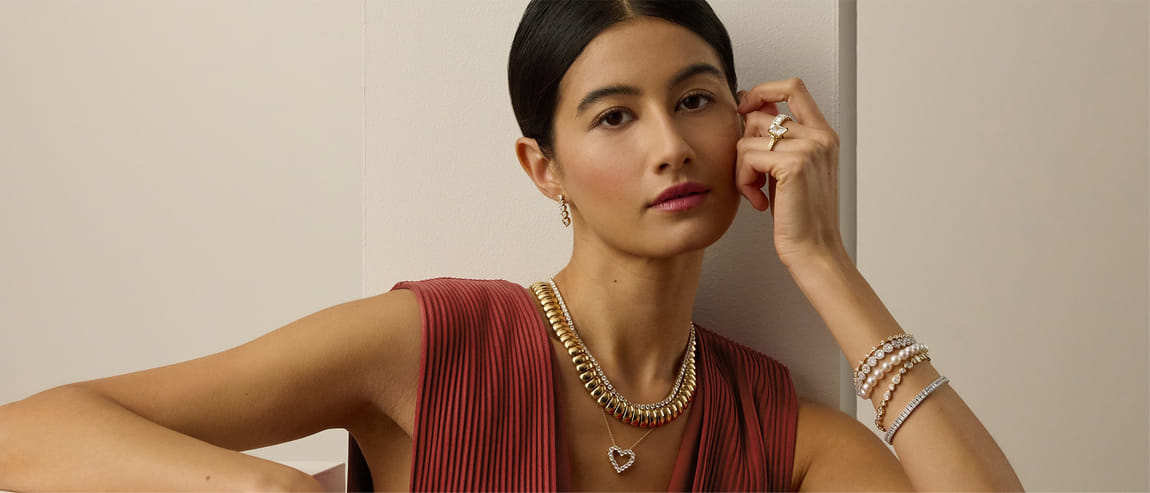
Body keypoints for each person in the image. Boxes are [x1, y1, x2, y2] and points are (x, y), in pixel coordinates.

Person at [0, 1, 1024, 491]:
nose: (670, 145)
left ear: (743, 127)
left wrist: (825, 266)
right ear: (544, 168)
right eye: (615, 117)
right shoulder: (434, 341)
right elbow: (27, 434)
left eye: (696, 100)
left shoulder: (778, 434)